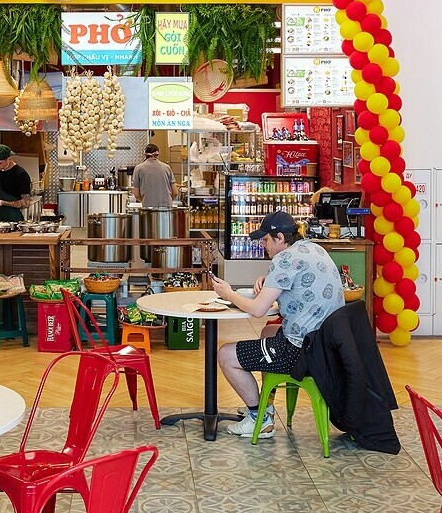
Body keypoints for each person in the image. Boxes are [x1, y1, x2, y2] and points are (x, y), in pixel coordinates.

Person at [211, 210, 344, 439]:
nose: (263, 245)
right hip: (326, 345)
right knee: (268, 332)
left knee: (225, 355)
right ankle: (266, 406)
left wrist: (229, 294)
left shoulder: (285, 259)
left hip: (301, 351)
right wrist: (269, 280)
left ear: (280, 238)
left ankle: (259, 419)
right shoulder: (314, 248)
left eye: (265, 240)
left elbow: (258, 310)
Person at [0, 145, 32, 222]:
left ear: (9, 159)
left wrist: (1, 203)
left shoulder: (20, 175)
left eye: (0, 163)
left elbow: (26, 203)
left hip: (14, 221)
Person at [131, 143, 178, 208]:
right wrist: (168, 201)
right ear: (158, 154)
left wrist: (145, 201)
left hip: (148, 208)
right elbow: (175, 192)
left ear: (145, 154)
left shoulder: (138, 168)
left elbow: (136, 194)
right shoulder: (167, 168)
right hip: (166, 208)